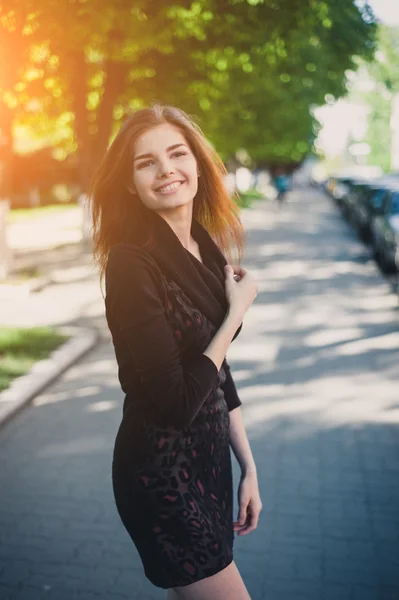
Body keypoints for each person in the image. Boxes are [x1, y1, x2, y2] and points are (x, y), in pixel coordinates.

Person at [88, 103, 261, 600]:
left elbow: (217, 371)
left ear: (197, 165)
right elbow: (177, 401)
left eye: (176, 153)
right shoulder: (131, 265)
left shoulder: (203, 248)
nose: (166, 169)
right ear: (130, 183)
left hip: (209, 467)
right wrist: (235, 313)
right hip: (162, 477)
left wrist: (247, 465)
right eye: (146, 162)